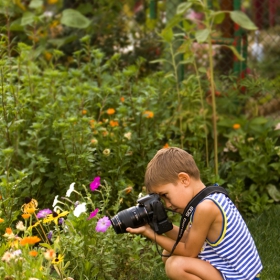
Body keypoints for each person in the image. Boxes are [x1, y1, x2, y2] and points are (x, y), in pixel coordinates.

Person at [126, 147, 262, 280]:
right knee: (168, 253)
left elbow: (189, 251)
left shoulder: (206, 208)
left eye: (165, 195)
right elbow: (189, 239)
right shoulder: (207, 198)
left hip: (238, 276)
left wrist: (151, 234)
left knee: (175, 266)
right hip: (231, 271)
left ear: (184, 179)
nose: (167, 204)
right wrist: (161, 224)